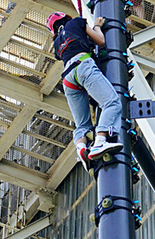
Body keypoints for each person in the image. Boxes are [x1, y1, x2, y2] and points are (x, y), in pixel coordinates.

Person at [47, 12, 123, 163]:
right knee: (111, 102)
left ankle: (81, 148)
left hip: (68, 78)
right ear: (66, 17)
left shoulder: (56, 44)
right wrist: (97, 26)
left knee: (82, 124)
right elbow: (100, 41)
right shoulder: (76, 22)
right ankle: (100, 142)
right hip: (83, 65)